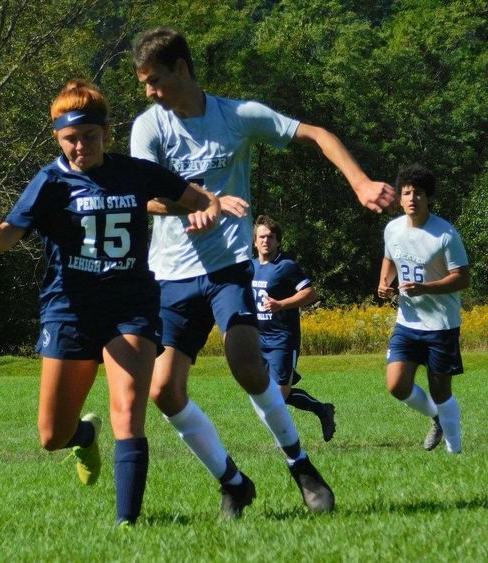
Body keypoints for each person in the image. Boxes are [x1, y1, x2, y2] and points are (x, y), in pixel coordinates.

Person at [130, 27, 395, 516]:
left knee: (247, 363)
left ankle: (301, 466)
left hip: (227, 266)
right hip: (170, 274)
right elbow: (144, 196)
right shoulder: (150, 127)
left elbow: (316, 133)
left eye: (155, 80)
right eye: (145, 83)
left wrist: (360, 182)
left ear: (182, 69)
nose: (149, 92)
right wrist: (197, 202)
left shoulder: (238, 116)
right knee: (164, 392)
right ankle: (233, 482)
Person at [0, 79, 220, 526]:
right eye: (70, 138)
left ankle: (127, 525)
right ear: (57, 137)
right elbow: (10, 236)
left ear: (106, 132)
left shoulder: (134, 172)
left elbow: (196, 196)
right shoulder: (50, 181)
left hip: (131, 305)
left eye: (88, 136)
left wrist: (205, 208)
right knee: (52, 436)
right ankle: (85, 436)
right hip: (69, 309)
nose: (80, 146)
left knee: (128, 410)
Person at [377, 164, 469, 454]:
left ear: (428, 197)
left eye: (418, 193)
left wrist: (426, 288)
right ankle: (436, 419)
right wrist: (384, 282)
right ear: (400, 198)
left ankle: (455, 452)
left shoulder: (445, 234)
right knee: (396, 385)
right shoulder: (392, 229)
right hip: (407, 322)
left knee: (442, 391)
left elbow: (463, 278)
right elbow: (390, 258)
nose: (412, 198)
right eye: (406, 193)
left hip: (441, 325)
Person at [251, 215, 336, 442]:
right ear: (255, 241)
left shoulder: (286, 266)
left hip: (282, 339)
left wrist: (281, 304)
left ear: (278, 241)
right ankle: (322, 409)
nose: (266, 241)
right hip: (257, 339)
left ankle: (293, 441)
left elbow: (310, 293)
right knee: (271, 396)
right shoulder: (249, 267)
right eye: (261, 237)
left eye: (270, 237)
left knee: (278, 397)